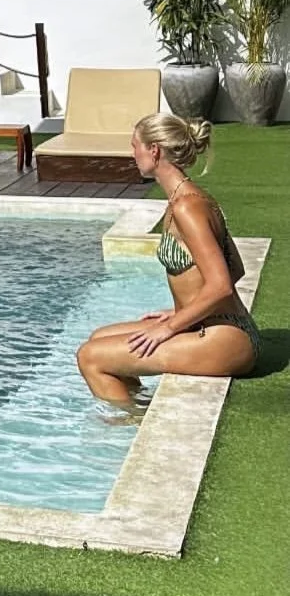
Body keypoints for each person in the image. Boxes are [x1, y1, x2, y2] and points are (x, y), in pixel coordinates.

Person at [75, 113, 260, 409]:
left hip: (225, 337)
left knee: (90, 357)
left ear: (154, 151)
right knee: (99, 338)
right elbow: (236, 267)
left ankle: (129, 425)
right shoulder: (184, 199)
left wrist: (172, 325)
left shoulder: (188, 207)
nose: (132, 153)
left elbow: (223, 284)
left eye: (135, 145)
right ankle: (139, 407)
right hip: (210, 325)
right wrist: (184, 311)